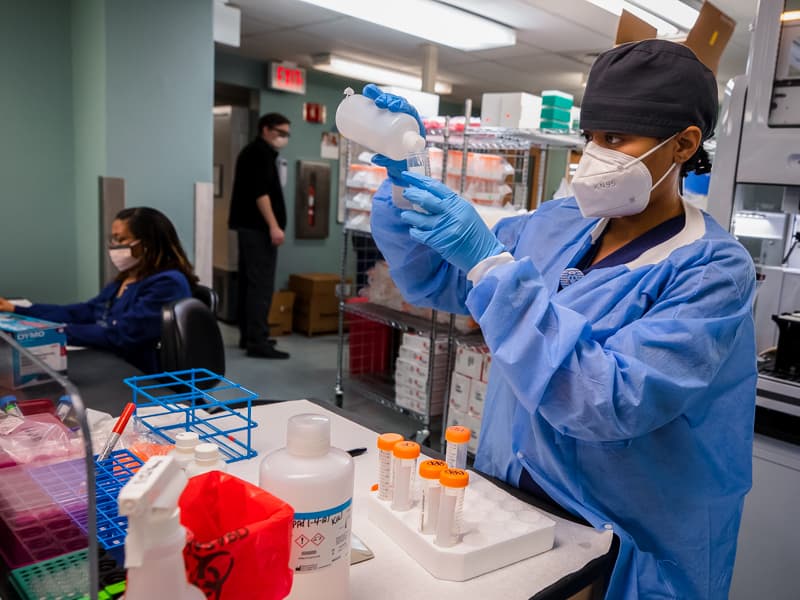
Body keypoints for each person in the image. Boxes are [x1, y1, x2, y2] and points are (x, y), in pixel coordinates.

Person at [366, 39, 757, 600]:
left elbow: (612, 398)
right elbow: (444, 279)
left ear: (684, 145)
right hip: (513, 505)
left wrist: (491, 264)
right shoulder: (558, 222)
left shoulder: (712, 271)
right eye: (591, 136)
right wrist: (407, 177)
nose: (596, 154)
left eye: (617, 139)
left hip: (621, 538)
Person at [0, 207, 197, 373]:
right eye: (113, 239)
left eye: (121, 239)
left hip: (142, 377)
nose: (115, 246)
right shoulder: (125, 279)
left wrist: (51, 333)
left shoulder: (168, 284)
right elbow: (83, 312)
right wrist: (18, 310)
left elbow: (120, 335)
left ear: (147, 244)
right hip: (114, 363)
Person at [229, 112, 291, 359]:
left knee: (249, 282)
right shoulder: (259, 154)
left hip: (249, 228)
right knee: (260, 286)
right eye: (281, 133)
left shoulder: (252, 153)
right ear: (266, 129)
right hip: (258, 229)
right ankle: (258, 340)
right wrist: (274, 226)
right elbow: (260, 193)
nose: (284, 138)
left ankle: (249, 335)